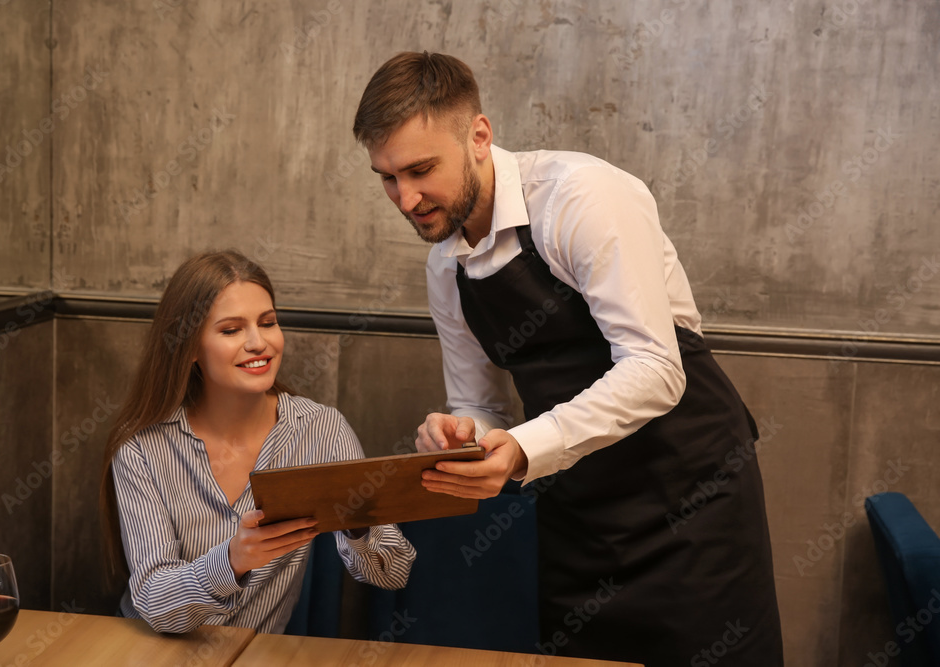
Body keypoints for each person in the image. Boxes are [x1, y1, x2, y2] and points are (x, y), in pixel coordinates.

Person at [352, 52, 783, 666]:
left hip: (692, 493)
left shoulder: (580, 197)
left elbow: (656, 368)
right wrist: (463, 434)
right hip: (579, 510)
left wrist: (526, 448)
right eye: (387, 177)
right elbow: (482, 404)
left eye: (421, 170)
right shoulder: (444, 265)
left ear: (479, 136)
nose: (405, 198)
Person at [98, 249, 415, 634]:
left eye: (268, 323)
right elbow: (155, 603)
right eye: (231, 330)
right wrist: (232, 560)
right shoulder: (140, 447)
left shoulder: (321, 430)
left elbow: (393, 572)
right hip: (148, 650)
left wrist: (357, 525)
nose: (258, 343)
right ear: (191, 347)